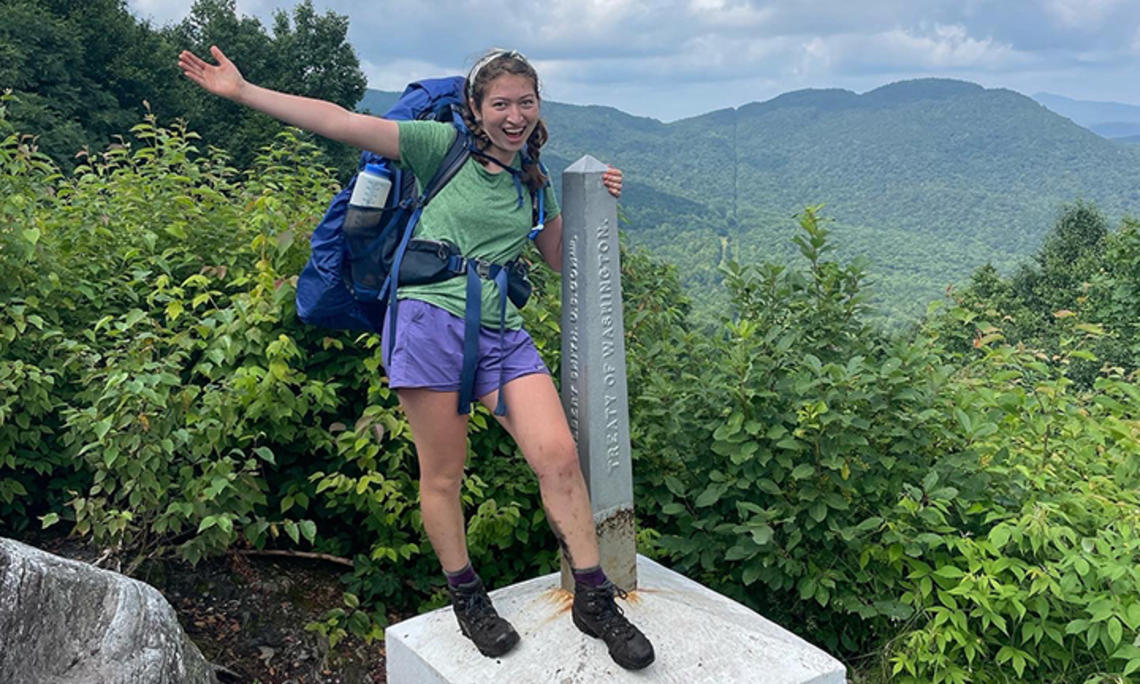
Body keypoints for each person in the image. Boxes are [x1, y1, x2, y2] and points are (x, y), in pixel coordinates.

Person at [177, 46, 654, 670]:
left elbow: (563, 260)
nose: (514, 115)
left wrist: (602, 204)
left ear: (539, 108)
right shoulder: (438, 148)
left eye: (525, 102)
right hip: (428, 326)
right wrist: (242, 92)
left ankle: (594, 599)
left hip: (501, 332)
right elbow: (338, 120)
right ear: (476, 109)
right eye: (501, 103)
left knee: (558, 455)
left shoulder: (533, 180)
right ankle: (468, 601)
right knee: (443, 475)